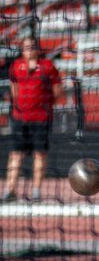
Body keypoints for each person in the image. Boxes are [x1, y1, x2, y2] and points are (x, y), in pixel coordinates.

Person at [2, 35, 63, 202]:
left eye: (32, 47)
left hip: (41, 118)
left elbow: (58, 91)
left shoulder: (48, 67)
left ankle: (36, 191)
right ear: (22, 50)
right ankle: (10, 190)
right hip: (20, 118)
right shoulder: (16, 66)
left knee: (40, 154)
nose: (30, 50)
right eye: (26, 47)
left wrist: (45, 106)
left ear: (37, 49)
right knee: (16, 153)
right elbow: (14, 90)